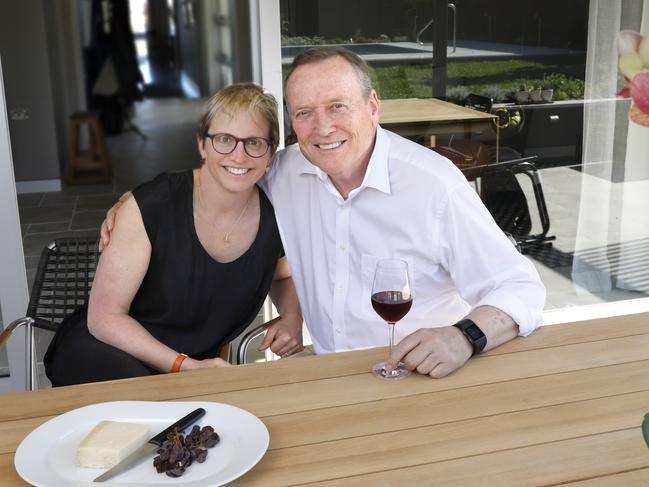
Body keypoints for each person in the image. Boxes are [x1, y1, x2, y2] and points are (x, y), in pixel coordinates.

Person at [101, 48, 545, 379]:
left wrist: (464, 336)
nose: (323, 127)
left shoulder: (434, 185)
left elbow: (521, 287)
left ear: (372, 107)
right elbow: (227, 168)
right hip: (329, 376)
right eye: (306, 114)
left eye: (337, 106)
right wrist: (138, 203)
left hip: (422, 377)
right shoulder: (285, 172)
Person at [44, 83, 302, 386]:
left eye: (254, 143)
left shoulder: (276, 215)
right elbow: (104, 319)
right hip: (109, 355)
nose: (238, 155)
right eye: (224, 139)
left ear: (271, 152)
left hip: (193, 369)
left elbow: (282, 275)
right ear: (202, 145)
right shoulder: (153, 205)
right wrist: (185, 366)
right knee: (155, 414)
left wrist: (292, 317)